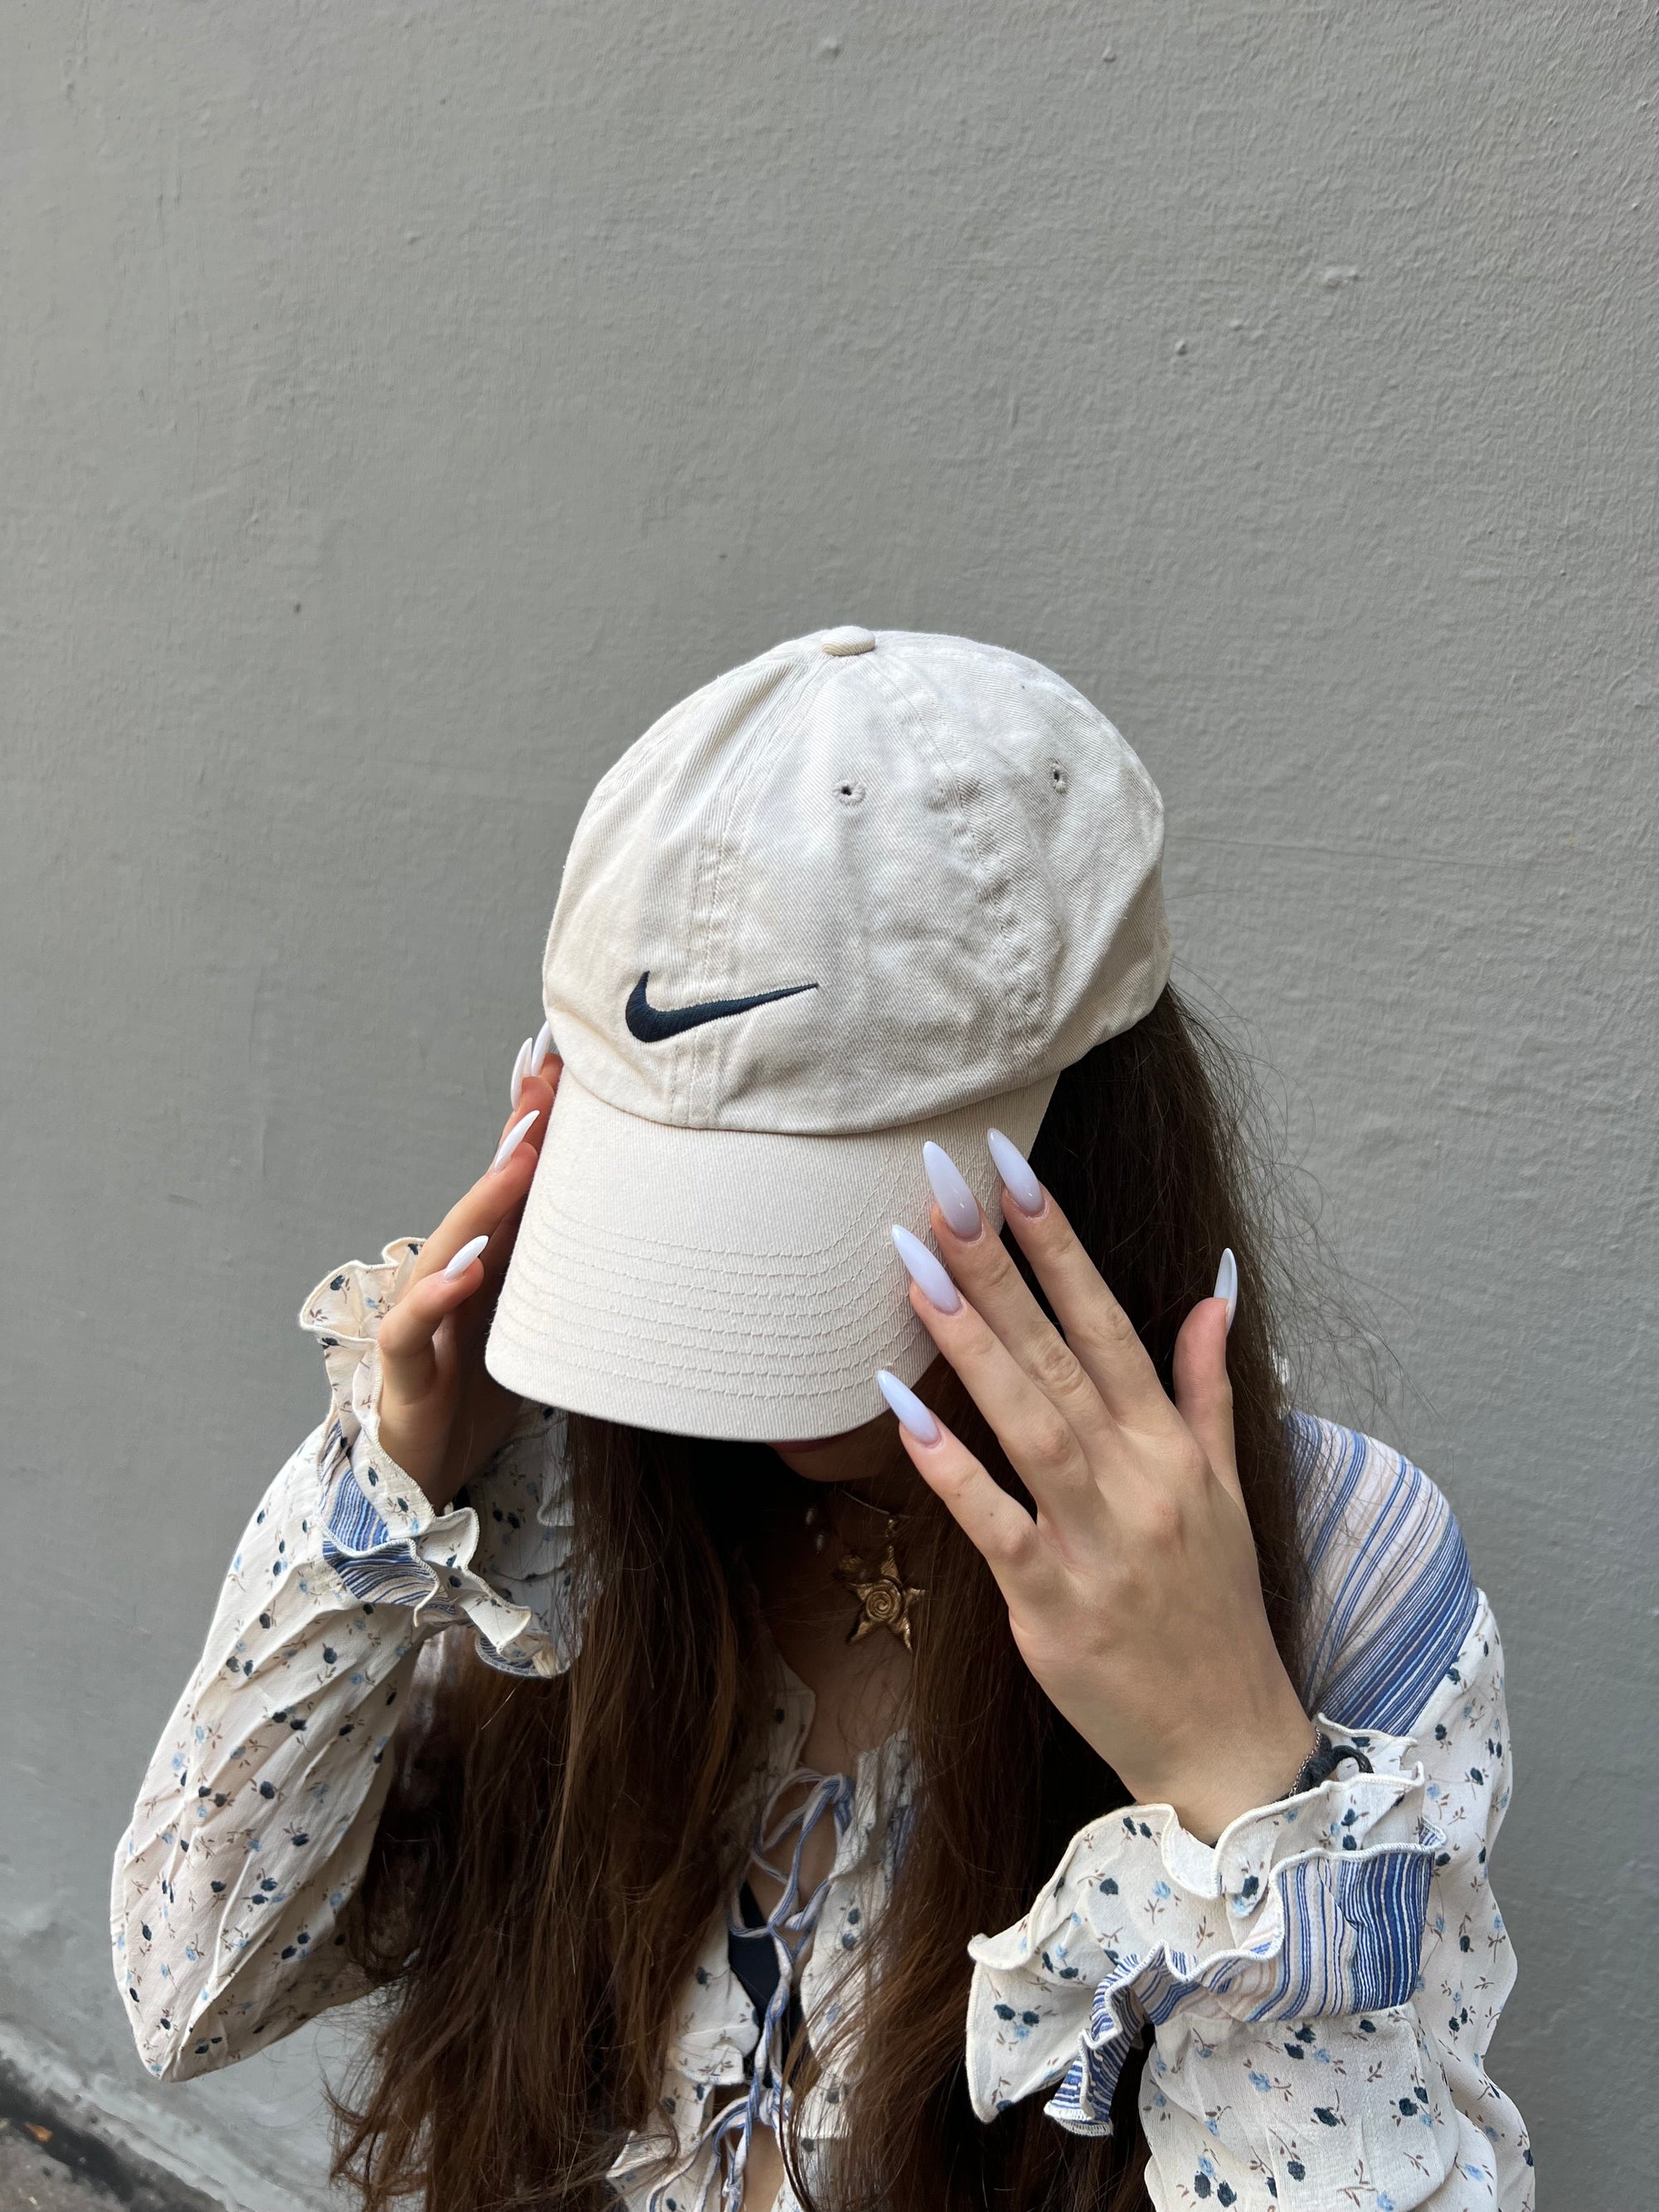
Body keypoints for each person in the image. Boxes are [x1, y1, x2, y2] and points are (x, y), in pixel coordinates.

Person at [113, 628, 1532, 2212]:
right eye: (679, 1214)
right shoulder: (560, 1501)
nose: (719, 1357)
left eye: (799, 1231)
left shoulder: (1332, 1575)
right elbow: (192, 1990)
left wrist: (1227, 1774)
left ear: (1085, 1150)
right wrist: (376, 1512)